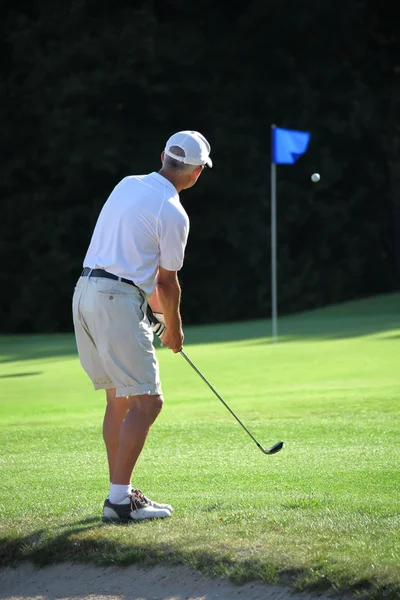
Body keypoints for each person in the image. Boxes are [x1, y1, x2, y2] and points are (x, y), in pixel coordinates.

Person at [72, 131, 212, 523]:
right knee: (148, 401)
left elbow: (142, 274)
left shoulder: (128, 184)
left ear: (163, 157)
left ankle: (121, 492)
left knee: (119, 399)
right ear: (197, 172)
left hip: (85, 292)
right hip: (115, 300)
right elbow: (166, 282)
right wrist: (175, 330)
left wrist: (161, 318)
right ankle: (119, 501)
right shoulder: (173, 212)